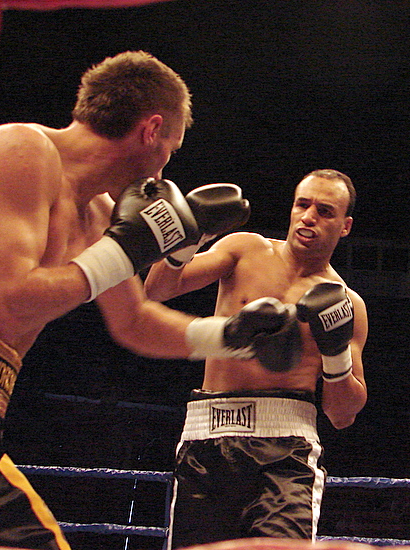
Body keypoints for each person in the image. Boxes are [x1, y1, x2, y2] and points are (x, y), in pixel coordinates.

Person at [0, 50, 286, 549]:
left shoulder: (100, 215)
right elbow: (8, 302)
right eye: (171, 149)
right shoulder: (21, 150)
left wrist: (230, 337)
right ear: (151, 130)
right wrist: (122, 252)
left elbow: (134, 321)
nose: (163, 169)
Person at [145, 169, 369, 548]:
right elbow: (158, 290)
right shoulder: (245, 250)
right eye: (302, 204)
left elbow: (341, 414)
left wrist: (334, 353)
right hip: (207, 436)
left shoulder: (347, 304)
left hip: (287, 451)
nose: (309, 217)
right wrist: (190, 237)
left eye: (325, 211)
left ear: (345, 226)